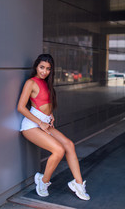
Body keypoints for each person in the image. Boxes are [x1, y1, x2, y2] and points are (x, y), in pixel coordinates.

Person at [17, 54, 90, 200]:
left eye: (48, 69)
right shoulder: (31, 82)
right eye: (41, 67)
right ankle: (43, 181)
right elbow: (21, 107)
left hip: (44, 123)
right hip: (31, 125)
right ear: (36, 66)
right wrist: (40, 122)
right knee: (58, 150)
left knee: (69, 145)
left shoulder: (47, 83)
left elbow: (44, 104)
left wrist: (49, 115)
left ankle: (78, 183)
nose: (44, 71)